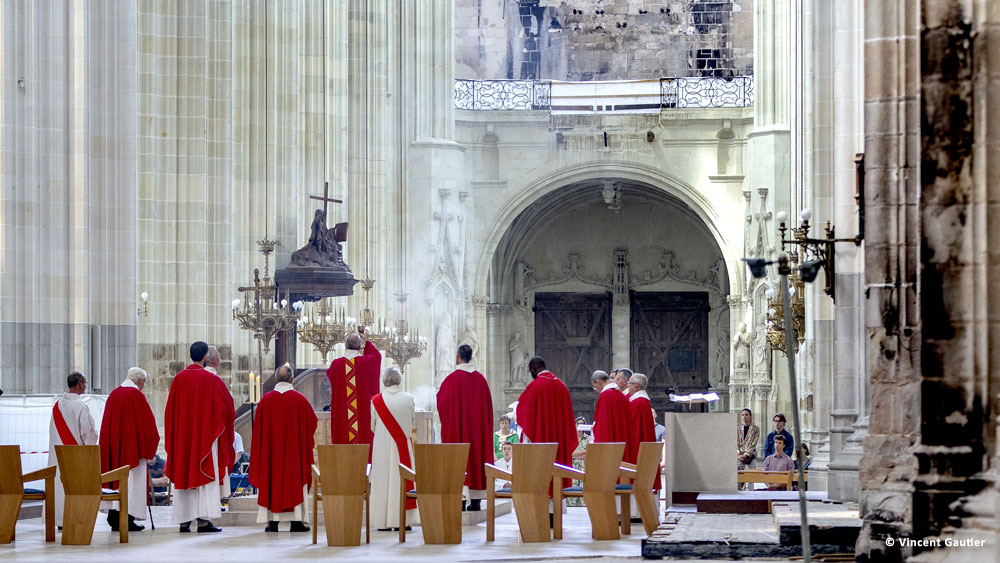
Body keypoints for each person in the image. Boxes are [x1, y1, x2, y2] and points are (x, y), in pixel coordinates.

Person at [164, 341, 235, 533]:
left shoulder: (178, 379)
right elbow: (227, 407)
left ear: (190, 356)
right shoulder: (212, 380)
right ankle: (204, 521)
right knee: (205, 476)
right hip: (206, 438)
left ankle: (184, 520)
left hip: (184, 438)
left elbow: (169, 411)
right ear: (205, 357)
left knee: (185, 474)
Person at [249, 364, 316, 533]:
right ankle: (296, 522)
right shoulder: (300, 400)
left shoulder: (266, 400)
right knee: (294, 480)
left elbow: (258, 431)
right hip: (294, 456)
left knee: (271, 479)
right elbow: (312, 424)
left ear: (276, 379)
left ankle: (272, 522)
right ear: (292, 379)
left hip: (271, 455)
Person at [99, 367, 159, 532]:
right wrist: (149, 448)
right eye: (144, 383)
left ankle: (113, 518)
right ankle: (127, 518)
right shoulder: (135, 395)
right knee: (132, 483)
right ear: (139, 381)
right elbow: (148, 425)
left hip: (115, 449)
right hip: (132, 451)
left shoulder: (114, 394)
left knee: (116, 483)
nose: (143, 387)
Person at [437, 344, 494, 511]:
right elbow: (488, 408)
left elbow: (442, 404)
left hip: (458, 432)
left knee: (459, 460)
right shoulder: (481, 380)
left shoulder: (451, 380)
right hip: (477, 433)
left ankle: (460, 499)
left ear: (458, 356)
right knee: (476, 458)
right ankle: (476, 501)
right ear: (471, 357)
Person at [516, 357, 578, 490]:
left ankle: (542, 505)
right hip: (559, 442)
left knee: (540, 471)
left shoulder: (534, 386)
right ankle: (555, 505)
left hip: (541, 440)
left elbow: (523, 413)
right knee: (558, 463)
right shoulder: (561, 385)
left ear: (533, 369)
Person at [370, 367, 419, 531]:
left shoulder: (376, 400)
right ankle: (402, 521)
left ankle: (382, 522)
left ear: (384, 381)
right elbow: (412, 422)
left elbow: (372, 426)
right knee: (401, 482)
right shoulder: (409, 398)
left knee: (382, 482)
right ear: (399, 380)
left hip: (382, 446)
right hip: (402, 447)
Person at [48, 371, 99, 527]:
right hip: (74, 456)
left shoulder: (57, 405)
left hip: (57, 455)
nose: (85, 386)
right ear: (79, 384)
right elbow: (88, 432)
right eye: (84, 383)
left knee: (58, 485)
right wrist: (91, 450)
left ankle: (58, 519)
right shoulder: (80, 405)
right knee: (73, 485)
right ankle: (74, 517)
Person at [327, 327, 381, 456]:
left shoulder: (336, 365)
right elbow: (376, 356)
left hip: (342, 417)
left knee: (344, 452)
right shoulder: (367, 362)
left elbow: (330, 375)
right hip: (363, 416)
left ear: (345, 346)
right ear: (359, 348)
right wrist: (367, 341)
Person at [626, 374, 661, 493]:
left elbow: (634, 429)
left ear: (635, 387)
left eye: (629, 383)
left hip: (637, 445)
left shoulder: (637, 403)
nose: (627, 386)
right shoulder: (642, 401)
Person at [591, 370, 631, 444]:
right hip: (622, 439)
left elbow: (602, 424)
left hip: (610, 444)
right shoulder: (621, 395)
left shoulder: (605, 396)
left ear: (598, 382)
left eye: (595, 386)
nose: (596, 390)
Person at [568, 416, 591, 507]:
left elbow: (590, 453)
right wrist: (585, 451)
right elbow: (569, 454)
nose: (580, 426)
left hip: (584, 467)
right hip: (572, 466)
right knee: (572, 488)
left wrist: (576, 454)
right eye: (578, 423)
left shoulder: (589, 439)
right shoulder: (569, 438)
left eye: (582, 424)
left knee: (583, 488)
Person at [737, 408, 761, 490]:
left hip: (750, 456)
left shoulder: (755, 428)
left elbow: (753, 443)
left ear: (750, 416)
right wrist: (738, 453)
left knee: (750, 479)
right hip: (740, 456)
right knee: (740, 478)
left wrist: (745, 454)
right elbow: (736, 443)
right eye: (743, 415)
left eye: (746, 415)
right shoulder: (739, 429)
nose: (744, 417)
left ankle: (750, 497)